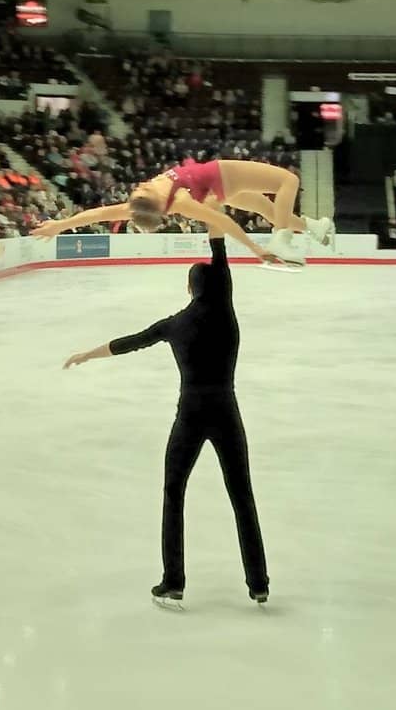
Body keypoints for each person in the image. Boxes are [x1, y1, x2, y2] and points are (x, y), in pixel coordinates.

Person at [64, 228, 270, 608]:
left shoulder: (174, 325)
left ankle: (173, 580)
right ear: (218, 285)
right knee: (242, 495)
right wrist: (209, 210)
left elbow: (128, 342)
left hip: (190, 415)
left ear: (189, 288)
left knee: (174, 493)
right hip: (226, 410)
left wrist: (86, 355)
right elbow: (219, 249)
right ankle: (258, 582)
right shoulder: (224, 306)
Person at [31, 158, 334, 266]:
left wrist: (60, 224)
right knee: (288, 180)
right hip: (221, 174)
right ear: (155, 203)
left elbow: (97, 215)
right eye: (143, 190)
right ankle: (282, 239)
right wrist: (256, 248)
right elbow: (222, 221)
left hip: (222, 189)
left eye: (138, 190)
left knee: (270, 210)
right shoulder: (180, 201)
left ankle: (310, 227)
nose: (140, 186)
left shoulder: (137, 205)